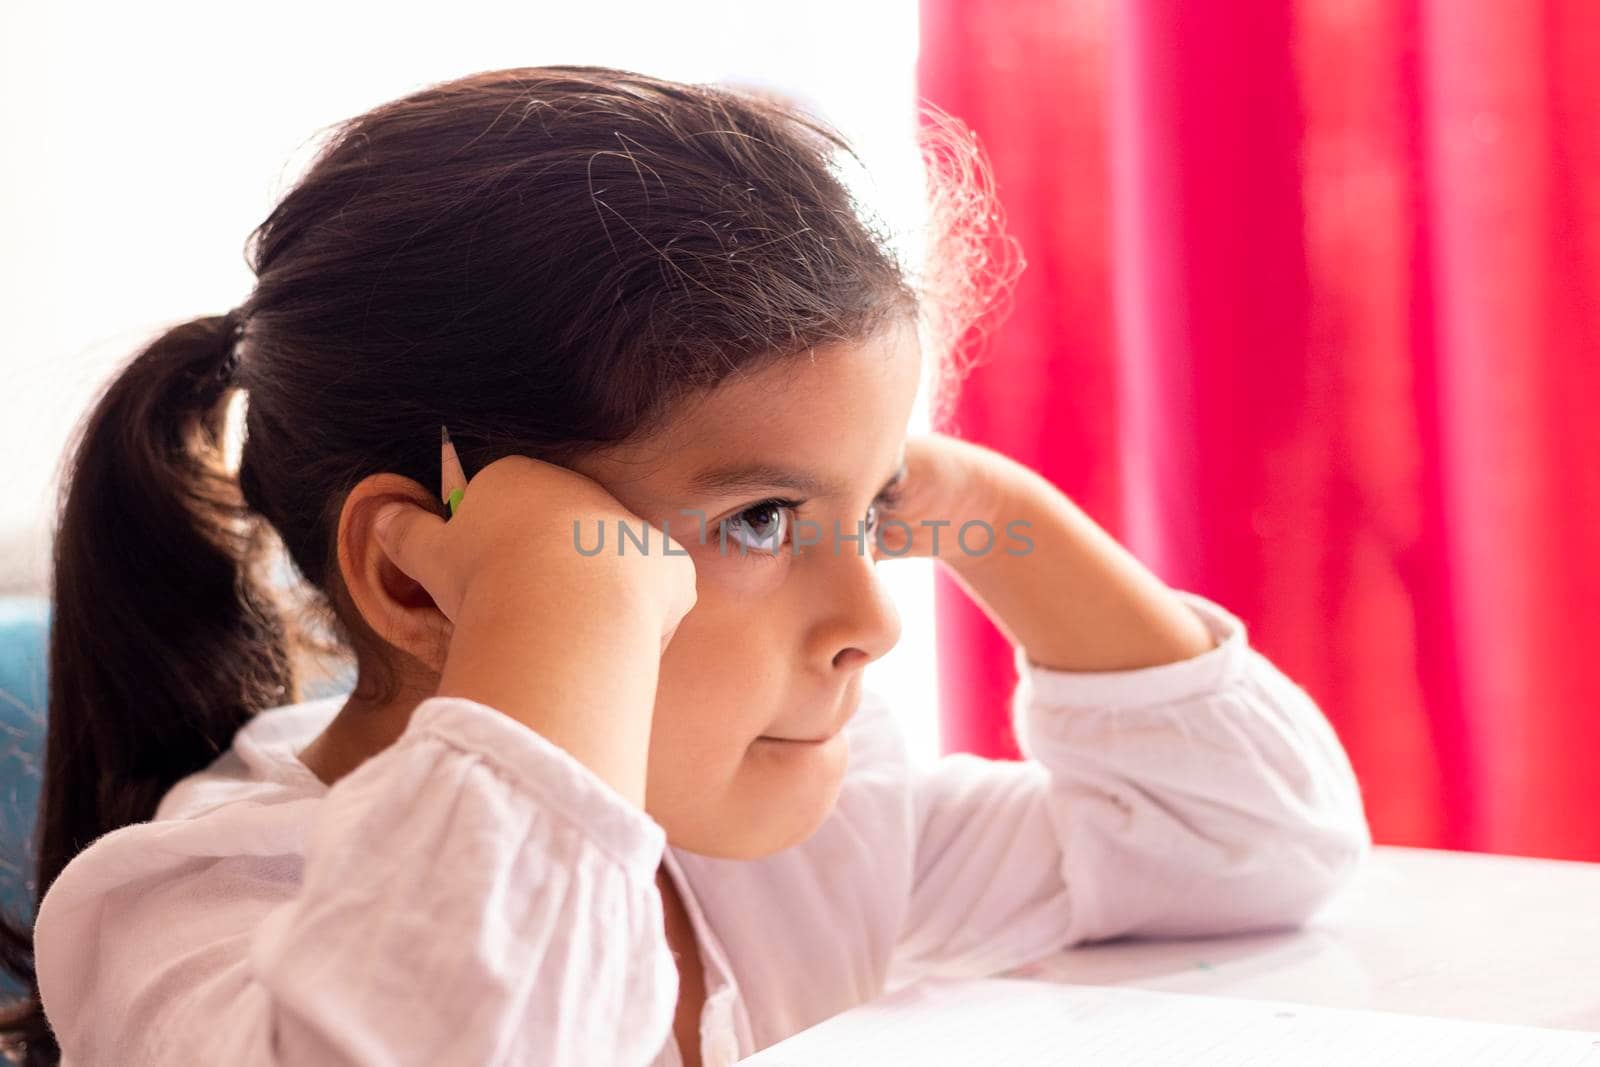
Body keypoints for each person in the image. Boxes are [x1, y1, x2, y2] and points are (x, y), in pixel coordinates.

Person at [0, 65, 1371, 1066]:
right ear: (421, 585)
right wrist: (557, 617)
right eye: (765, 522)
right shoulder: (196, 910)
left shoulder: (793, 832)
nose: (873, 627)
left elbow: (1244, 850)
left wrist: (969, 500)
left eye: (875, 507)